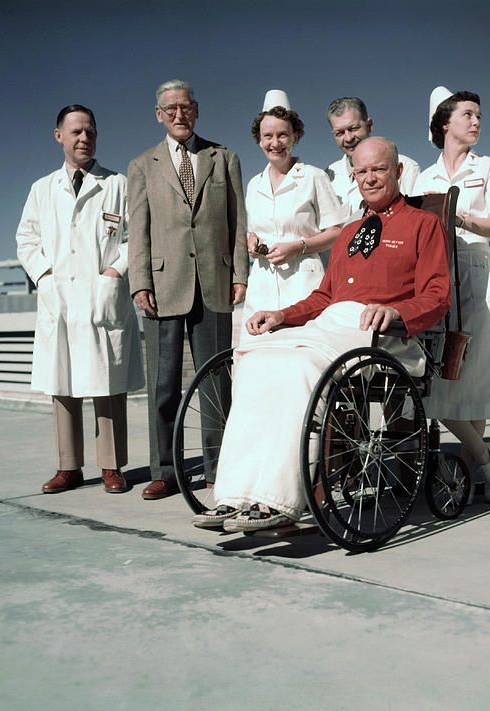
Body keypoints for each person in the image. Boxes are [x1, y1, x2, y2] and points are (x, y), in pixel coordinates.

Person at [191, 137, 451, 531]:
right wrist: (281, 314)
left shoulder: (423, 225)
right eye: (361, 171)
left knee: (301, 365)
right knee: (256, 357)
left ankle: (280, 500)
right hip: (331, 326)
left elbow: (437, 295)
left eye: (379, 169)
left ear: (397, 171)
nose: (370, 178)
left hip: (385, 336)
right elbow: (324, 296)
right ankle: (236, 494)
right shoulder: (348, 233)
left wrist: (395, 310)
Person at [127, 80, 248, 500]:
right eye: (171, 108)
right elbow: (137, 231)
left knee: (216, 382)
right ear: (159, 114)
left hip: (214, 283)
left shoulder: (224, 158)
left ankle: (218, 468)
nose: (180, 115)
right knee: (163, 384)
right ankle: (165, 471)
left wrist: (240, 275)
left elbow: (237, 223)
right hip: (162, 286)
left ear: (196, 110)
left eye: (187, 107)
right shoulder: (142, 165)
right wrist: (139, 282)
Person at [16, 105, 144, 495]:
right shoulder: (42, 189)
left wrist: (114, 272)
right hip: (61, 298)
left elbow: (135, 238)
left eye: (89, 131)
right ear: (59, 136)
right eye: (75, 132)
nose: (83, 138)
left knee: (107, 381)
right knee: (64, 382)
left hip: (102, 296)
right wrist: (44, 275)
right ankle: (68, 467)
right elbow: (26, 239)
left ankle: (112, 466)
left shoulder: (118, 184)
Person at [415, 91, 490, 503]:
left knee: (473, 378)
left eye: (479, 115)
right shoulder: (423, 178)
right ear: (445, 124)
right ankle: (483, 454)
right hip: (435, 275)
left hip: (476, 273)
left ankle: (469, 478)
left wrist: (456, 217)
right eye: (467, 115)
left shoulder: (489, 168)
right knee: (437, 383)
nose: (477, 121)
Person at [240, 90, 345, 344]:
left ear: (295, 137)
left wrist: (298, 247)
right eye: (268, 136)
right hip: (262, 284)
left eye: (282, 135)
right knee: (257, 354)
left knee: (301, 353)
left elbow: (337, 232)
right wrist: (251, 241)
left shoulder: (313, 176)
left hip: (303, 283)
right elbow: (253, 230)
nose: (275, 143)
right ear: (259, 140)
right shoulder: (255, 184)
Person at [325, 97, 421, 221]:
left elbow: (416, 218)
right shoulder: (327, 175)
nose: (348, 138)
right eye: (340, 133)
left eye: (353, 129)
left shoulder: (407, 167)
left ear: (369, 125)